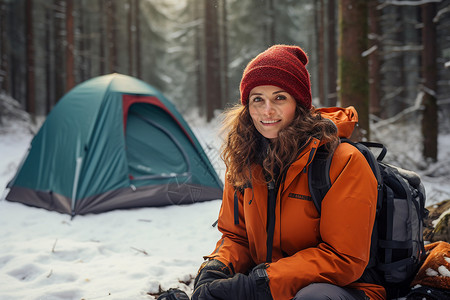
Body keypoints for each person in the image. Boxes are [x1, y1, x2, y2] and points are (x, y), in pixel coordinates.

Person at [159, 45, 385, 300]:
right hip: (269, 287)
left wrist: (258, 285)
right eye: (258, 99)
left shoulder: (343, 162)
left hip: (345, 289)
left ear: (298, 103)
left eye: (280, 98)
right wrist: (217, 268)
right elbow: (236, 236)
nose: (267, 111)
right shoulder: (245, 159)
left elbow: (344, 258)